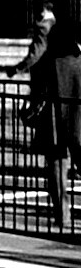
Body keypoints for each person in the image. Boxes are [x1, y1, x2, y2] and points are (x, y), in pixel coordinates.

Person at [35, 14, 81, 230]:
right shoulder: (78, 61)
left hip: (54, 118)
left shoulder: (48, 61)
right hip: (78, 120)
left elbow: (38, 91)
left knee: (57, 168)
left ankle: (62, 216)